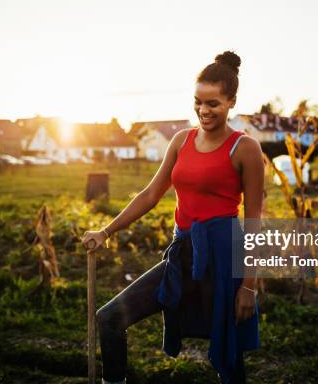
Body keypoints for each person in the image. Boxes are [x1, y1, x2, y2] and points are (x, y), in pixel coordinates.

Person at [82, 50, 265, 384]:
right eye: (198, 102)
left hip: (223, 261)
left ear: (232, 102)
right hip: (182, 256)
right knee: (109, 318)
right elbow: (151, 195)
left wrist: (249, 286)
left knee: (228, 352)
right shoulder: (182, 141)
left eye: (213, 103)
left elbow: (253, 222)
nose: (203, 111)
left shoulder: (246, 148)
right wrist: (106, 232)